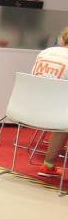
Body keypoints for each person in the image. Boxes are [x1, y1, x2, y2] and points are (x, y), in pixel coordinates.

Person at [31, 27, 68, 179]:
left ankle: (48, 165)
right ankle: (48, 164)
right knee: (64, 120)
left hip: (28, 109)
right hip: (56, 115)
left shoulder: (45, 52)